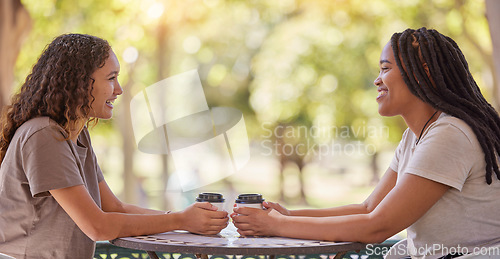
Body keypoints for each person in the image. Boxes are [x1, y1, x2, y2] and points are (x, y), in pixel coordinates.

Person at [232, 27, 500, 259]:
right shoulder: (416, 137)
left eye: (385, 68)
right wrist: (288, 216)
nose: (377, 79)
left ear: (422, 73)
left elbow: (378, 226)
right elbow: (368, 208)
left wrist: (275, 226)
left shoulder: (450, 134)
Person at [0, 34, 229, 259]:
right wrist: (180, 220)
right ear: (79, 82)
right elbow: (97, 226)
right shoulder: (43, 135)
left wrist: (183, 217)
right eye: (111, 78)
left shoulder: (77, 134)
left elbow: (113, 207)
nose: (118, 89)